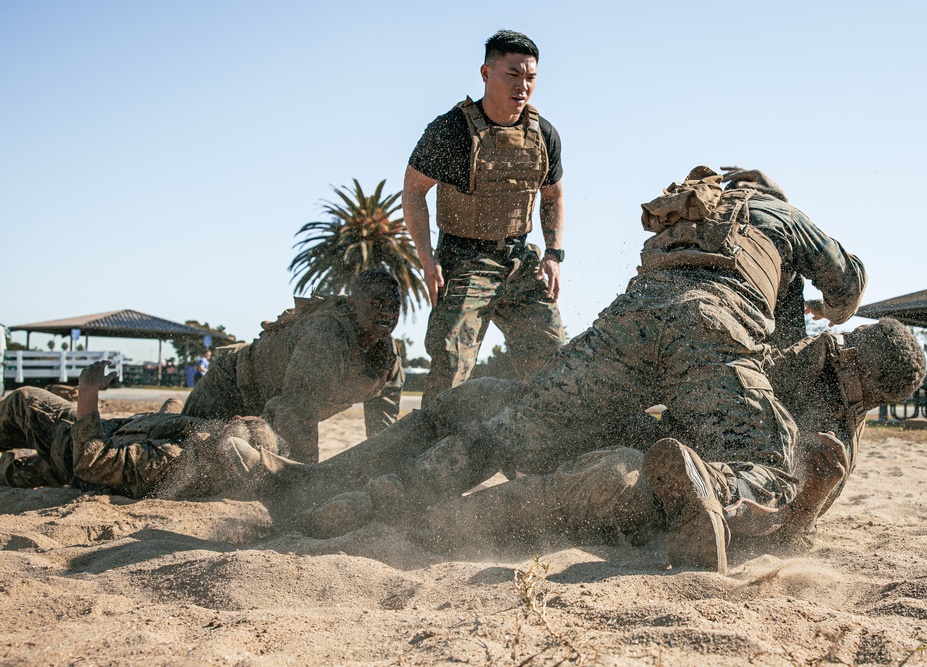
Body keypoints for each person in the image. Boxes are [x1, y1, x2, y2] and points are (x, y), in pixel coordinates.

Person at [277, 166, 868, 572]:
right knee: (773, 460)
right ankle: (715, 490)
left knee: (504, 430)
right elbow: (847, 281)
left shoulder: (685, 207)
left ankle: (368, 506)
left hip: (623, 325)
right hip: (711, 333)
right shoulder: (779, 215)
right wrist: (828, 305)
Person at [402, 29, 567, 407]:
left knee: (556, 359)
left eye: (530, 77)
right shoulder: (452, 130)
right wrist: (427, 261)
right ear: (486, 73)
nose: (522, 86)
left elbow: (553, 195)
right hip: (464, 261)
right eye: (513, 74)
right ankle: (424, 455)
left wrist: (554, 253)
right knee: (450, 368)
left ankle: (543, 457)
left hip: (519, 260)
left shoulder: (544, 134)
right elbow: (413, 191)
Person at [181, 268, 404, 463]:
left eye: (394, 306)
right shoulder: (327, 334)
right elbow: (297, 412)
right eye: (376, 304)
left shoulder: (387, 357)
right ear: (353, 304)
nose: (387, 313)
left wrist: (383, 467)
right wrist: (304, 482)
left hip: (268, 412)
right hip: (231, 386)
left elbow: (382, 429)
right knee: (178, 452)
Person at [0, 361, 281, 499]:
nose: (233, 416)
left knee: (24, 400)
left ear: (235, 440)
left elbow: (93, 461)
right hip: (70, 469)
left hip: (71, 444)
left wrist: (88, 393)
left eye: (238, 421)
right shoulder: (210, 459)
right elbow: (172, 427)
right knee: (12, 472)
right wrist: (172, 407)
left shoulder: (175, 458)